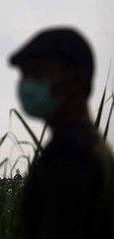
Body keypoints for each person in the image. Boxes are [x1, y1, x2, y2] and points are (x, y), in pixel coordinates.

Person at [8, 27, 114, 239]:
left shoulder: (69, 155)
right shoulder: (93, 147)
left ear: (77, 78)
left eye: (37, 72)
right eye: (24, 75)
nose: (26, 84)